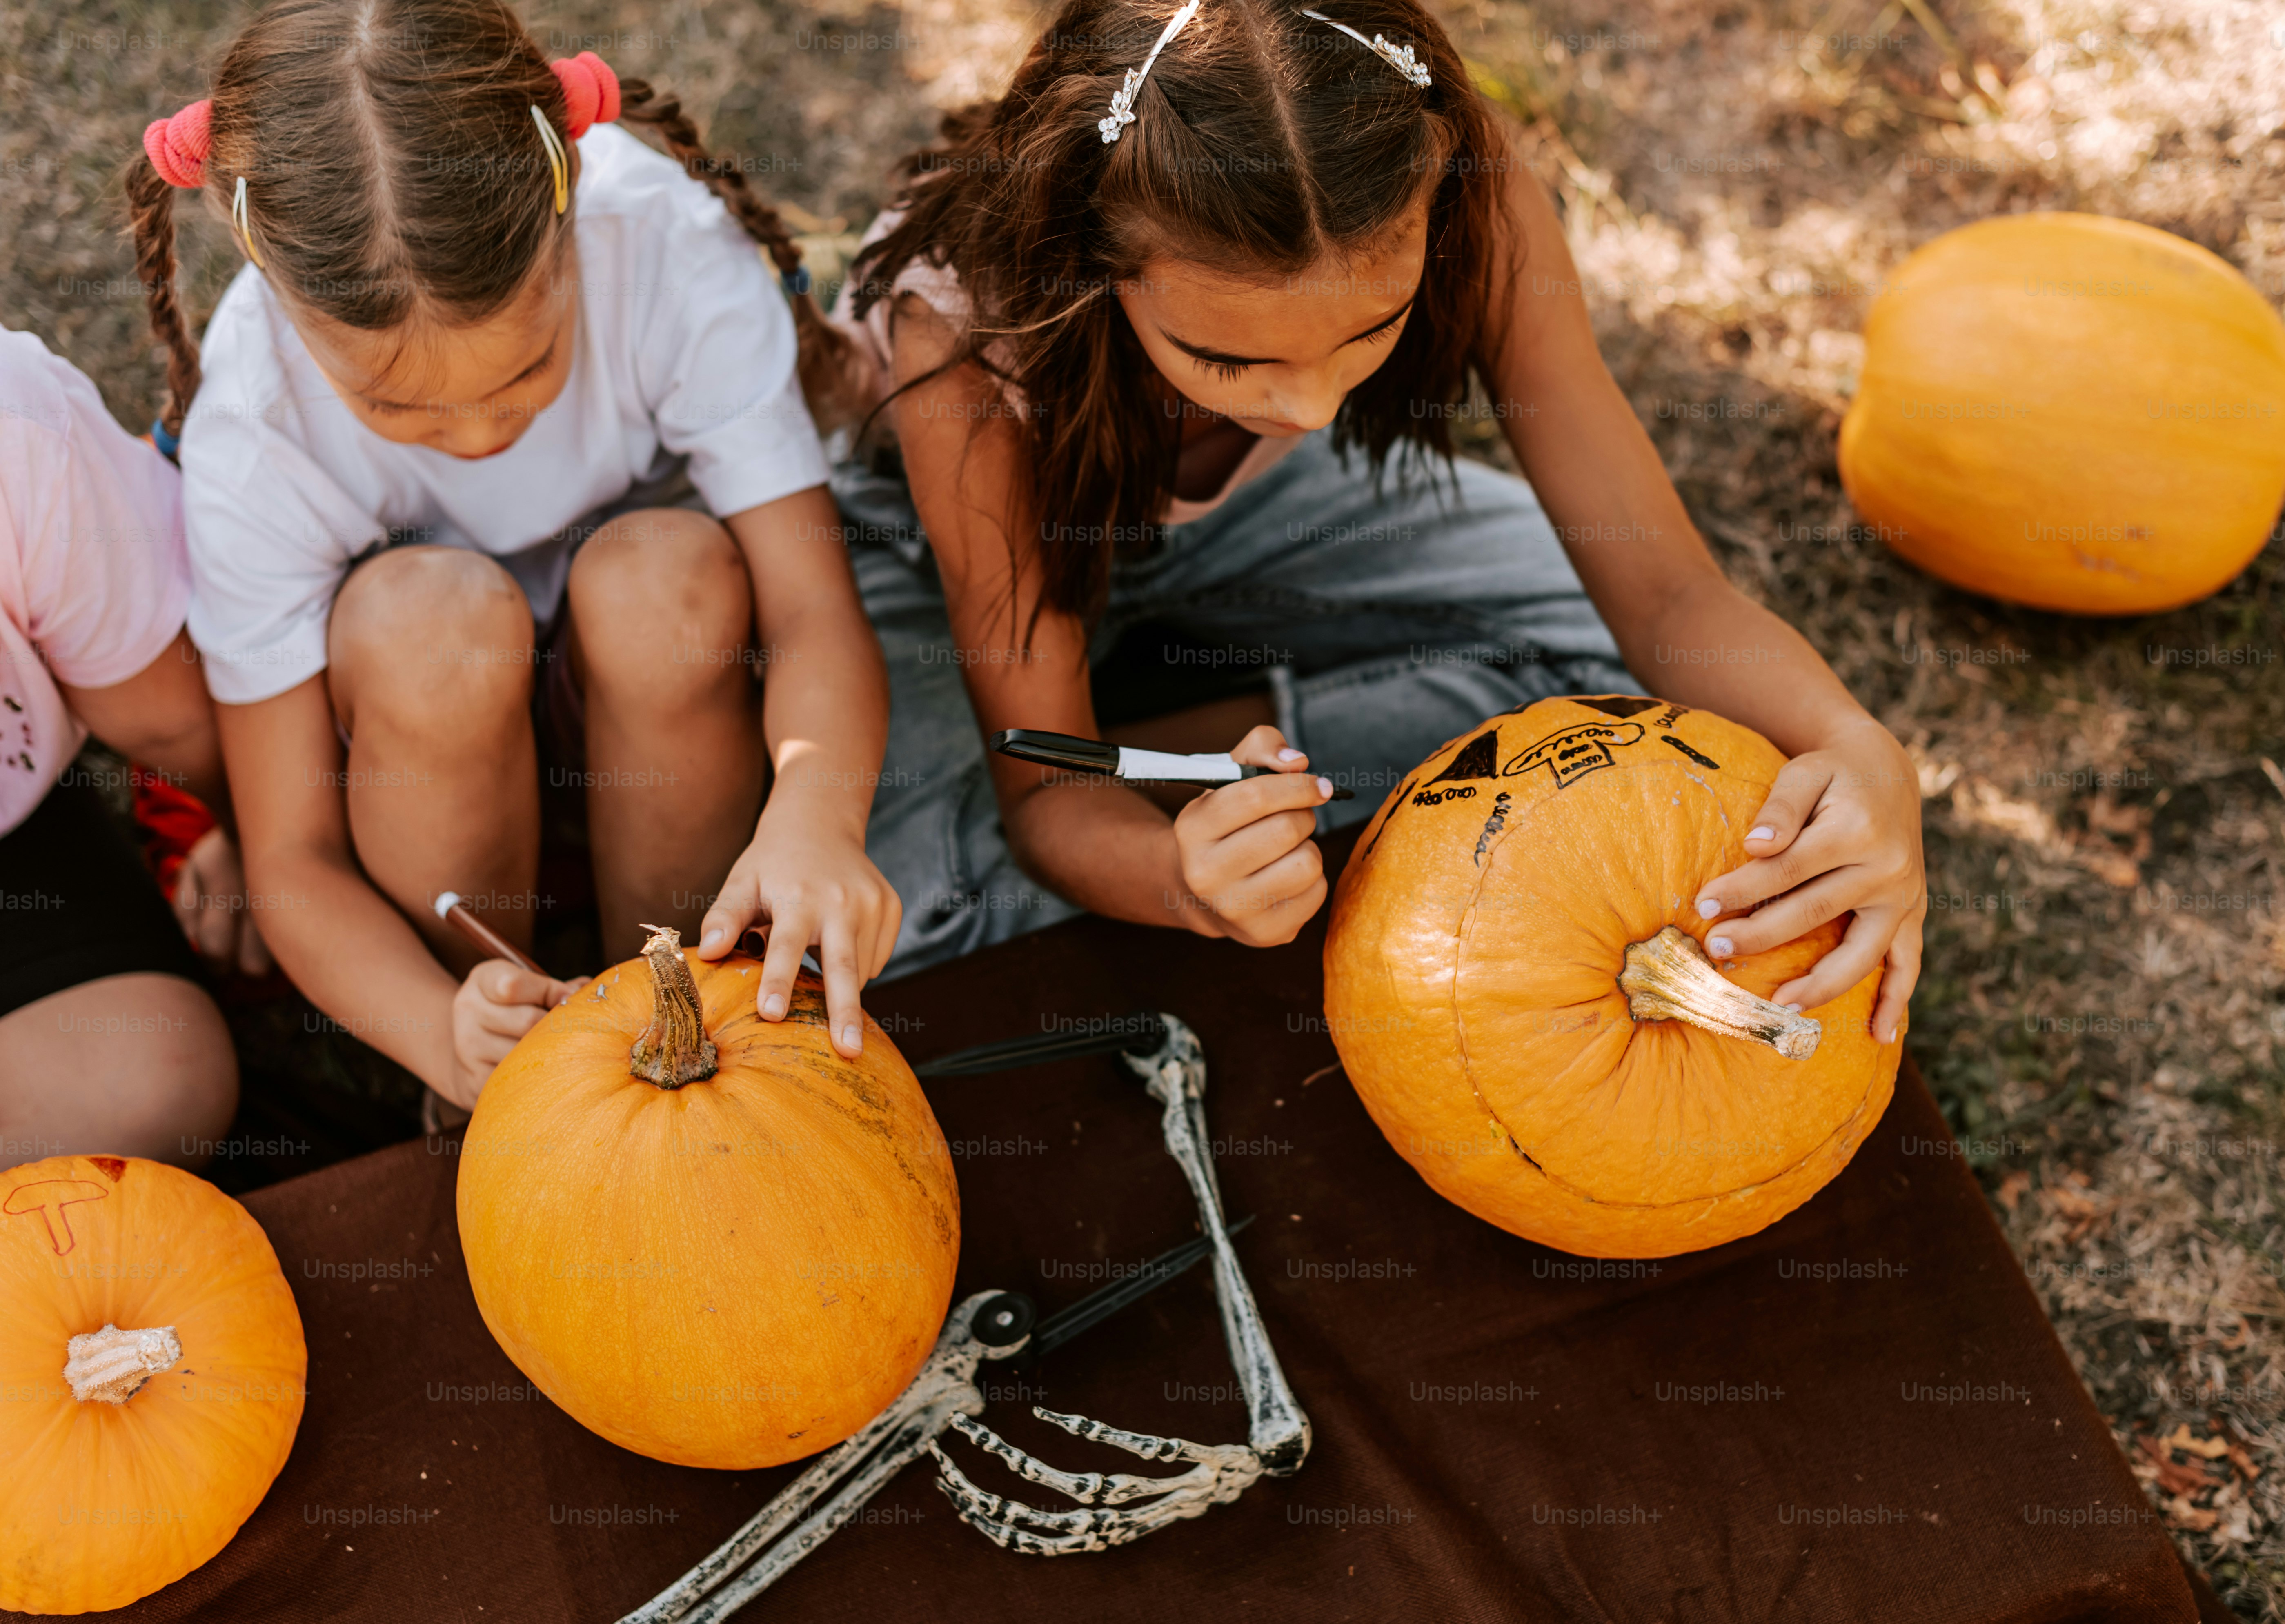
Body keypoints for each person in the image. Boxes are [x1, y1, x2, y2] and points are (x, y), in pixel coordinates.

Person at [830, 0, 1924, 1037]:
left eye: (1372, 329)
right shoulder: (962, 331)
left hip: (1261, 513)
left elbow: (1671, 597)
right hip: (941, 549)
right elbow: (1043, 795)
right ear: (1092, 259)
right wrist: (1175, 880)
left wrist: (1852, 742)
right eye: (1226, 356)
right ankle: (1176, 770)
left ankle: (1188, 757)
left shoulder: (1472, 189)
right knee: (931, 901)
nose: (1311, 406)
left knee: (1635, 694)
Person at [129, 0, 896, 1113]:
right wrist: (436, 1033)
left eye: (526, 370)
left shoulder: (667, 245)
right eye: (400, 405)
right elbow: (291, 856)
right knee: (426, 621)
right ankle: (484, 1051)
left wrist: (818, 814)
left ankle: (683, 1005)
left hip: (657, 690)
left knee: (668, 575)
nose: (484, 435)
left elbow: (813, 614)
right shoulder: (256, 418)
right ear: (293, 320)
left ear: (573, 218)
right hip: (418, 746)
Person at [0, 326, 267, 1163]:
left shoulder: (17, 429)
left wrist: (253, 836)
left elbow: (166, 716)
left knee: (158, 1088)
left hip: (15, 828)